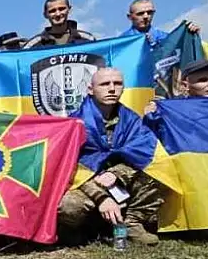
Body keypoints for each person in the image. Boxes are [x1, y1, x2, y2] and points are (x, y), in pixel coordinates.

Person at [58, 68, 161, 246]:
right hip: (87, 184)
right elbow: (70, 171)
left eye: (117, 84)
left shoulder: (132, 121)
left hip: (120, 182)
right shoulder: (74, 124)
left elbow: (145, 154)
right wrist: (101, 197)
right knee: (69, 206)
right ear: (90, 89)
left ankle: (131, 223)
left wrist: (117, 173)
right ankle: (81, 229)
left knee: (161, 172)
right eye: (105, 84)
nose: (112, 89)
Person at [22, 0, 96, 49]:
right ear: (45, 15)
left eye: (61, 9)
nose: (58, 14)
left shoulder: (87, 39)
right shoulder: (34, 44)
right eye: (52, 11)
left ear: (69, 10)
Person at [122, 0, 200, 46]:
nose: (146, 16)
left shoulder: (166, 39)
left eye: (149, 12)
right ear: (130, 17)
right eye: (140, 13)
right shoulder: (122, 42)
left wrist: (192, 37)